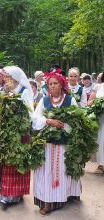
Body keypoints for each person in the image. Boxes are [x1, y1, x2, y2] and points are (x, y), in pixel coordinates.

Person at [32, 72, 81, 215]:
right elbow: (35, 118)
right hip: (47, 143)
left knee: (62, 170)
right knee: (46, 171)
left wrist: (64, 126)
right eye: (50, 84)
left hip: (64, 144)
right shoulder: (44, 100)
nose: (52, 86)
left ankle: (61, 197)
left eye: (55, 83)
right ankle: (47, 201)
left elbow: (76, 121)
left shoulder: (69, 100)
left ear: (61, 85)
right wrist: (48, 121)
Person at [0, 66, 34, 209]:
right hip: (5, 133)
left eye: (8, 76)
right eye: (5, 76)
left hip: (20, 133)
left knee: (17, 161)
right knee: (7, 162)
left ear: (16, 78)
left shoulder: (24, 92)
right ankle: (7, 193)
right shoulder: (3, 90)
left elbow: (30, 113)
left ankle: (14, 194)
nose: (6, 79)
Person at [88, 72, 104, 174]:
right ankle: (101, 164)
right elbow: (90, 102)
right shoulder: (98, 86)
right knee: (101, 141)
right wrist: (99, 102)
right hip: (101, 119)